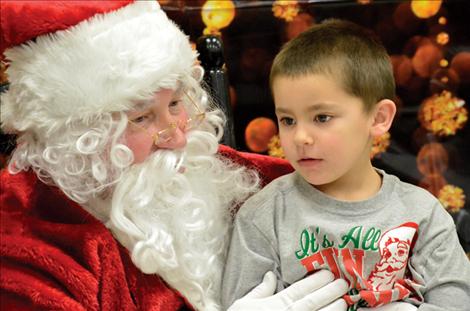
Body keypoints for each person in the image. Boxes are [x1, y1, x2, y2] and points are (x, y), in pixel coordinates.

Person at [0, 1, 350, 310]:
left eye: (175, 104)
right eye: (141, 118)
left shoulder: (234, 177)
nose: (178, 136)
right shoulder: (25, 248)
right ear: (77, 139)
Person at [222, 19, 470, 311]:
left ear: (378, 118)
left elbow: (456, 301)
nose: (300, 136)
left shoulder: (423, 214)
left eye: (322, 117)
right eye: (288, 120)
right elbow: (242, 301)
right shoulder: (264, 217)